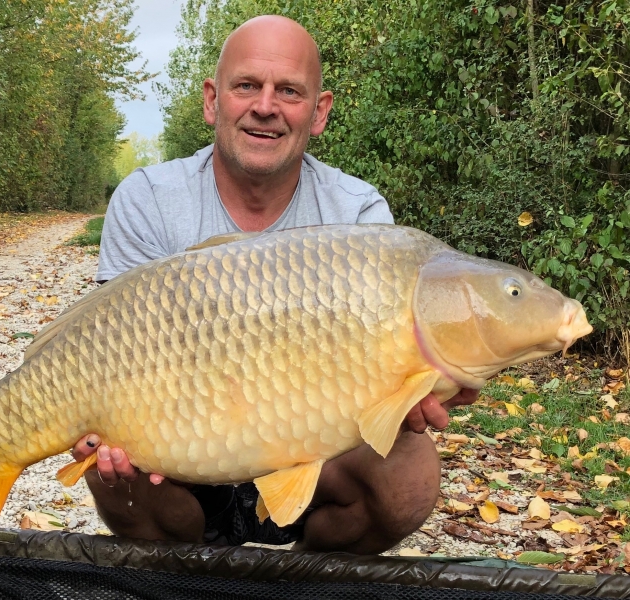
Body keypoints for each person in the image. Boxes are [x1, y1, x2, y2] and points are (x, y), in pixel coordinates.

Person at [71, 15, 477, 552]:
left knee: (411, 470)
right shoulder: (149, 199)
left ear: (319, 112)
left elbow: (396, 373)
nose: (266, 106)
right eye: (247, 86)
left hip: (318, 457)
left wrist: (414, 391)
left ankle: (305, 580)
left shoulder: (357, 213)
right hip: (178, 461)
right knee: (106, 468)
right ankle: (186, 577)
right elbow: (105, 346)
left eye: (289, 90)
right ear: (213, 100)